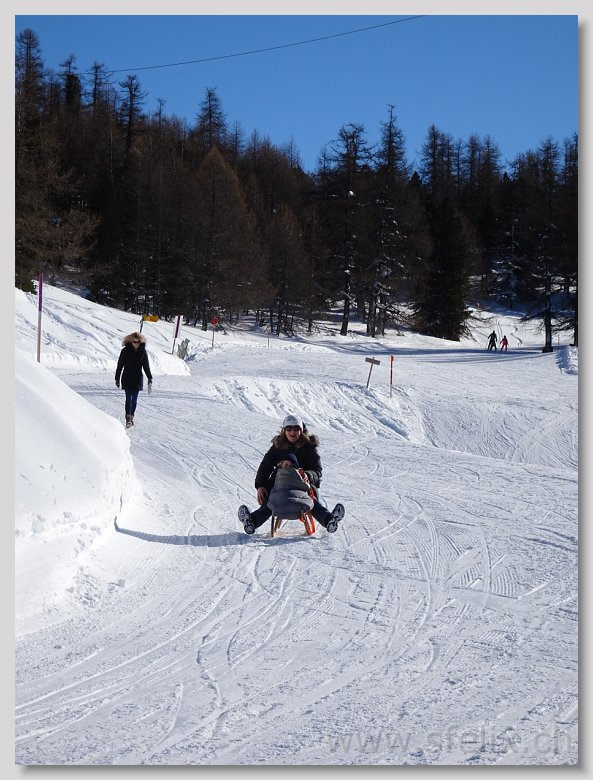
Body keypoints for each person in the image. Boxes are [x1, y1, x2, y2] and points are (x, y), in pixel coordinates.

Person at [238, 415, 345, 535]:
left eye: (296, 428)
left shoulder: (308, 447)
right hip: (280, 485)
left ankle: (329, 521)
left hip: (303, 486)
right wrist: (260, 486)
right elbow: (265, 466)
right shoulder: (278, 446)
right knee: (271, 502)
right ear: (284, 430)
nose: (292, 432)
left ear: (301, 430)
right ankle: (252, 522)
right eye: (289, 428)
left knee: (312, 502)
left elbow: (317, 470)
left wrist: (308, 475)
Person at [115, 332, 153, 428]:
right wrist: (117, 378)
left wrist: (149, 377)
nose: (136, 344)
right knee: (128, 398)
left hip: (137, 378)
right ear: (131, 341)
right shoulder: (125, 351)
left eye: (138, 342)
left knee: (134, 399)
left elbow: (146, 366)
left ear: (140, 342)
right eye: (134, 342)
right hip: (127, 377)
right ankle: (128, 418)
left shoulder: (143, 352)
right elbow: (120, 365)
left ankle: (131, 416)